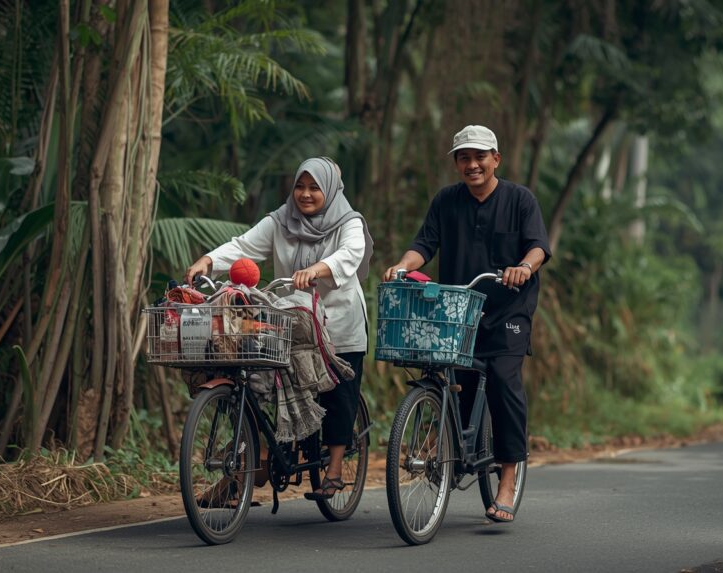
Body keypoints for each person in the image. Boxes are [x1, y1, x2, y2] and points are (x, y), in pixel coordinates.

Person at [383, 125, 551, 523]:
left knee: (504, 377)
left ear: (496, 158)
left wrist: (524, 268)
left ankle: (508, 475)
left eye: (480, 157)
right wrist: (403, 266)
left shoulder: (519, 199)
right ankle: (455, 451)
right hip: (457, 309)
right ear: (457, 163)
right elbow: (424, 244)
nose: (472, 165)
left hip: (508, 307)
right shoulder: (447, 201)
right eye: (464, 158)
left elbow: (539, 246)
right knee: (456, 380)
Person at [186, 157, 373, 499]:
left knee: (339, 392)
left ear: (330, 190)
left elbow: (350, 255)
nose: (305, 194)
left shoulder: (349, 223)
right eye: (300, 186)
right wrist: (209, 260)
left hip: (340, 321)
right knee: (256, 380)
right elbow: (243, 246)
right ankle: (253, 459)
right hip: (293, 320)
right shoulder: (281, 221)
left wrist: (318, 269)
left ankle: (332, 469)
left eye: (314, 187)